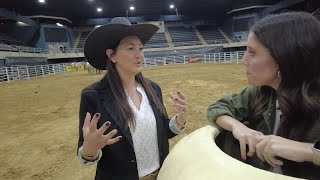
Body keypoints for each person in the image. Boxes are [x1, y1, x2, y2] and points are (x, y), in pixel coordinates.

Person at [207, 12, 320, 179]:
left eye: (252, 53)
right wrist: (238, 127)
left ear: (284, 58)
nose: (243, 60)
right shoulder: (262, 92)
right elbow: (217, 108)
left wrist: (308, 152)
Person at [77, 17, 188, 180]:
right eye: (130, 48)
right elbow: (86, 150)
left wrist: (179, 120)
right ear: (112, 55)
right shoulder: (93, 96)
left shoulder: (153, 89)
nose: (139, 55)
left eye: (141, 48)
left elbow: (161, 133)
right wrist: (89, 150)